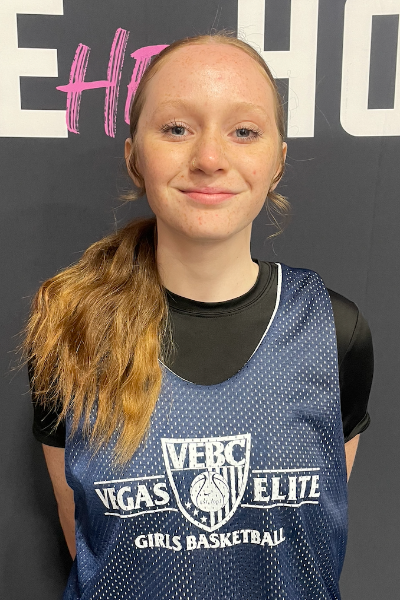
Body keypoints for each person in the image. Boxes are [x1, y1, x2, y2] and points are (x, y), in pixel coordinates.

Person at [25, 32, 373, 600]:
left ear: (278, 161)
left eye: (244, 131)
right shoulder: (73, 332)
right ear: (134, 156)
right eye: (176, 128)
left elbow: (312, 541)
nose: (210, 159)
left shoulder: (334, 332)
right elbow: (88, 541)